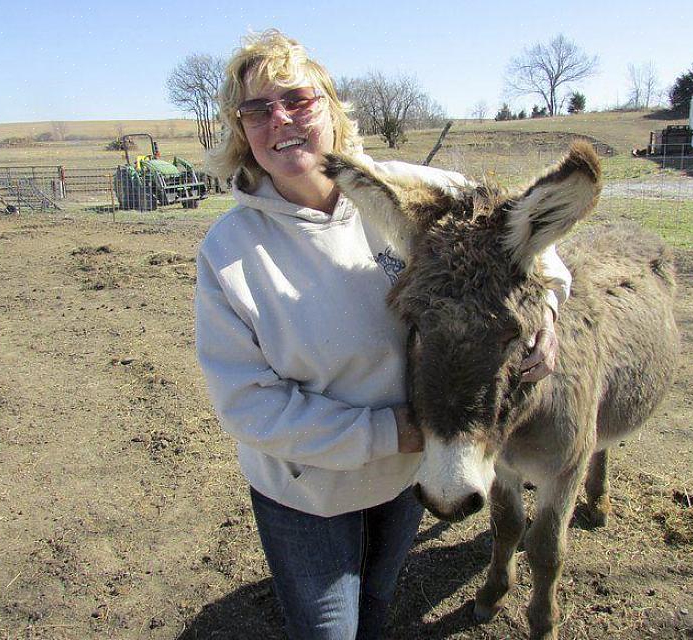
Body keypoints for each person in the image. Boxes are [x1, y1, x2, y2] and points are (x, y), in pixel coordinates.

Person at [194, 29, 571, 640]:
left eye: (297, 99)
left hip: (405, 475)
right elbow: (247, 407)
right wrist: (385, 431)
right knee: (328, 630)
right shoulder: (230, 252)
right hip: (307, 491)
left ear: (332, 108)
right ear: (242, 133)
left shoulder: (411, 195)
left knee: (379, 604)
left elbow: (526, 246)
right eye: (257, 110)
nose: (280, 119)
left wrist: (549, 308)